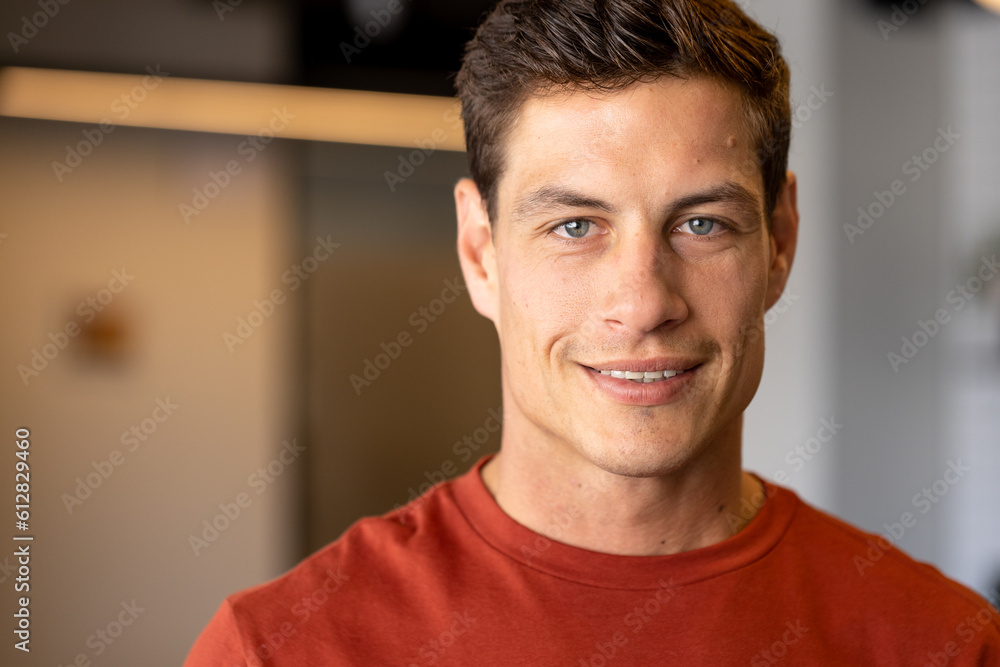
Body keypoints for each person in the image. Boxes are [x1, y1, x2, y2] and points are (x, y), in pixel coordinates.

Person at [184, 0, 1000, 664]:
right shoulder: (280, 649)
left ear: (780, 240)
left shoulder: (942, 643)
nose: (644, 302)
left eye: (703, 224)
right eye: (576, 226)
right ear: (480, 251)